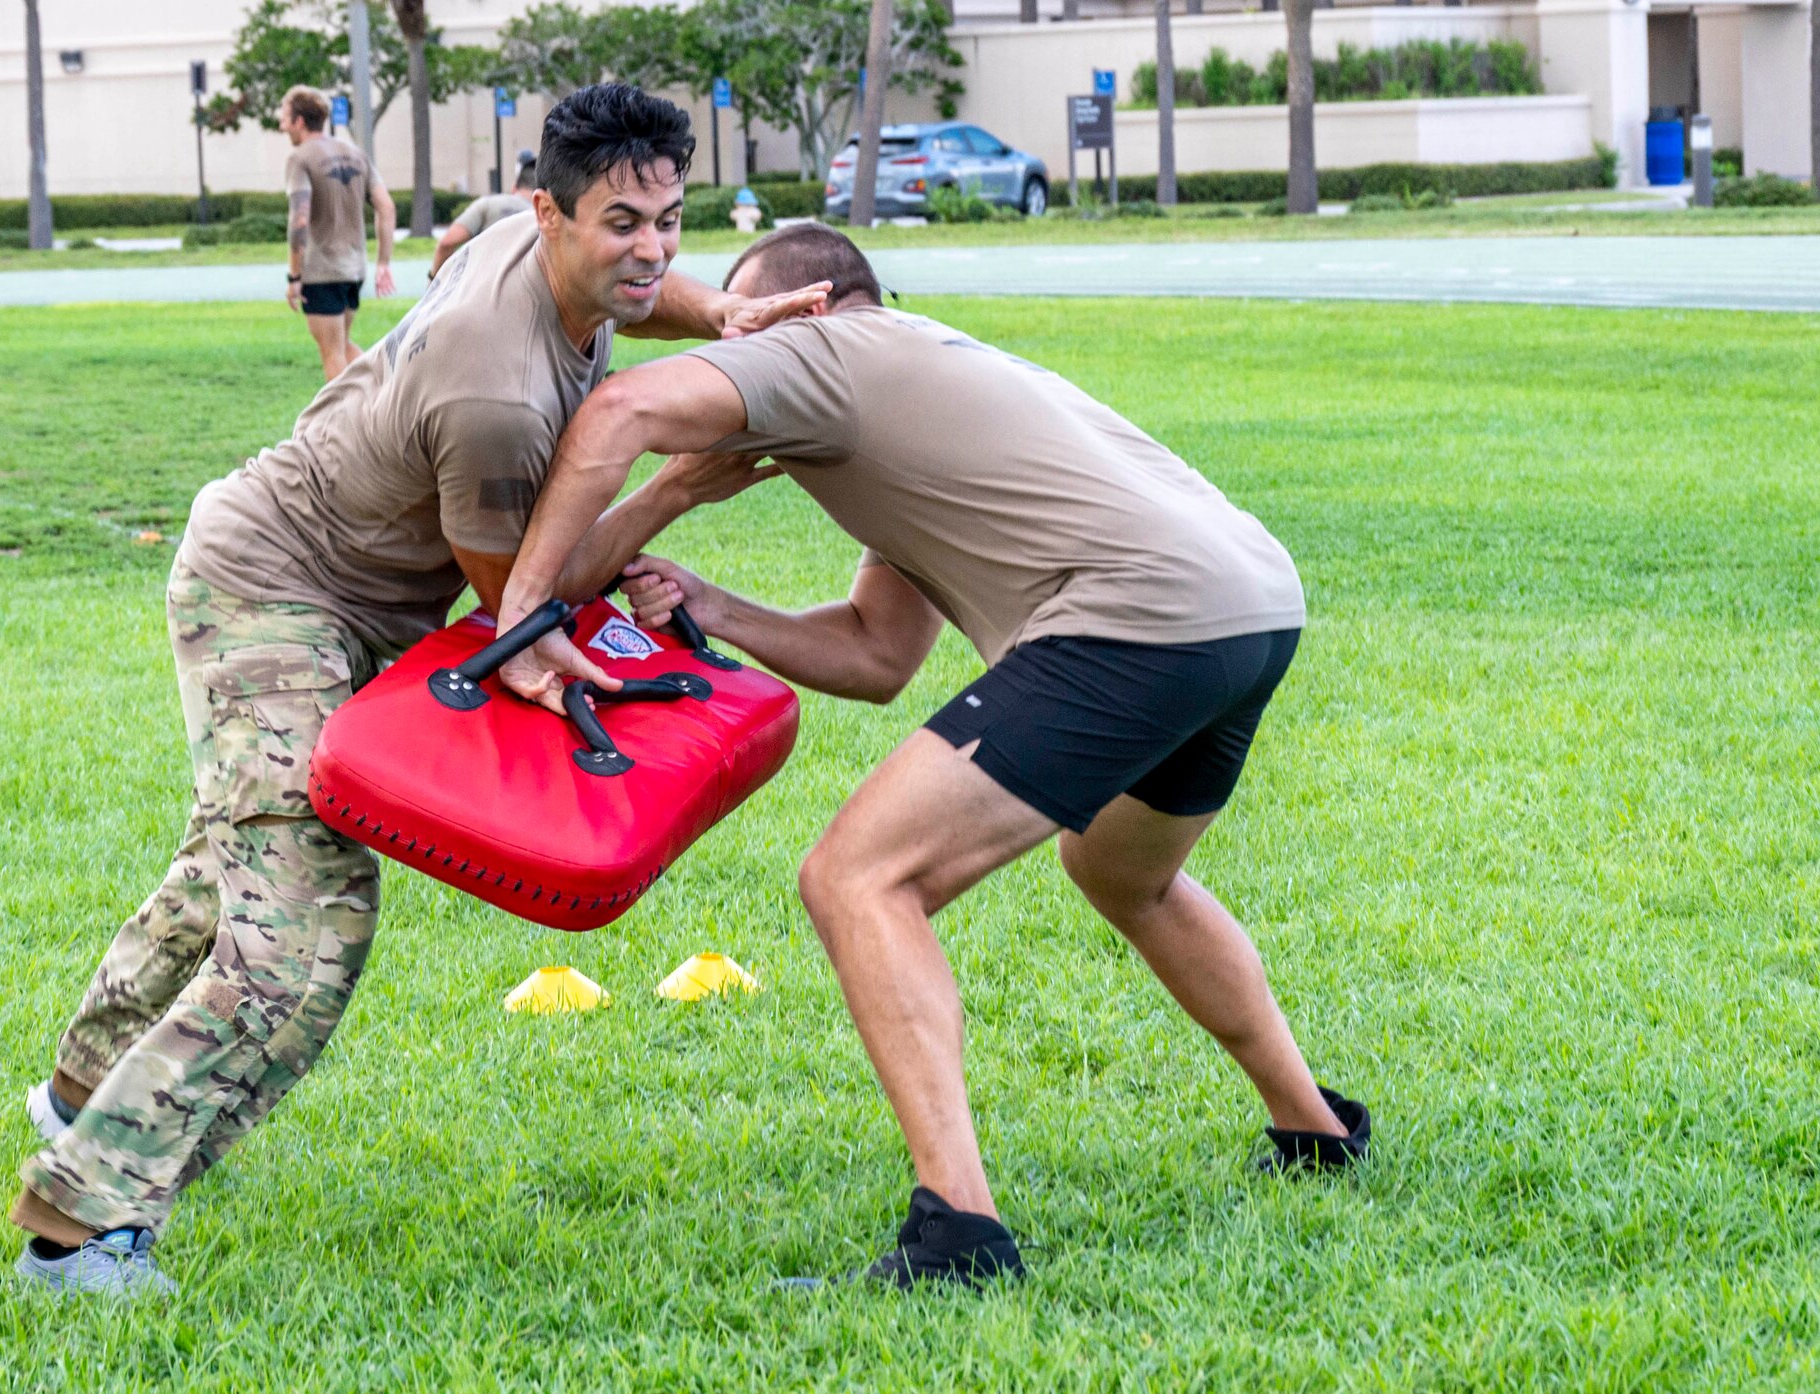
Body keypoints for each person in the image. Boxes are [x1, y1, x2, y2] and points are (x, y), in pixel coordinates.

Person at [9, 85, 825, 1298]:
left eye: (669, 217)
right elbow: (520, 612)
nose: (650, 246)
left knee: (233, 857)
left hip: (343, 598)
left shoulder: (518, 233)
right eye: (621, 223)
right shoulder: (495, 399)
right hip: (271, 593)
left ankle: (86, 1088)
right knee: (305, 929)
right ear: (549, 213)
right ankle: (78, 1224)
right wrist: (669, 493)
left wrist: (731, 308)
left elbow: (649, 293)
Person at [493, 223, 1370, 1290]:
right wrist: (715, 605)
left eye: (743, 319)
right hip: (1248, 608)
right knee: (1119, 870)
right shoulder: (909, 381)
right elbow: (874, 654)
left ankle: (958, 1232)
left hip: (1136, 616)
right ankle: (1313, 1127)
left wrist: (528, 605)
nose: (737, 347)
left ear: (803, 312)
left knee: (857, 876)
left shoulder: (828, 356)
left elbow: (619, 408)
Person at [277, 85, 397, 381]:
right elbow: (387, 207)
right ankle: (389, 387)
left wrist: (294, 276)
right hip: (354, 270)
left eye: (284, 117)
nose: (281, 125)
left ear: (299, 121)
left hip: (321, 272)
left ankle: (345, 424)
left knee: (332, 354)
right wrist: (383, 263)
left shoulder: (300, 158)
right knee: (341, 346)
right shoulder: (355, 153)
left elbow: (299, 219)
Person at [430, 151, 538, 279]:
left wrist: (433, 282)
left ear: (514, 187)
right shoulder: (545, 217)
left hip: (483, 286)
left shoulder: (487, 204)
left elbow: (447, 243)